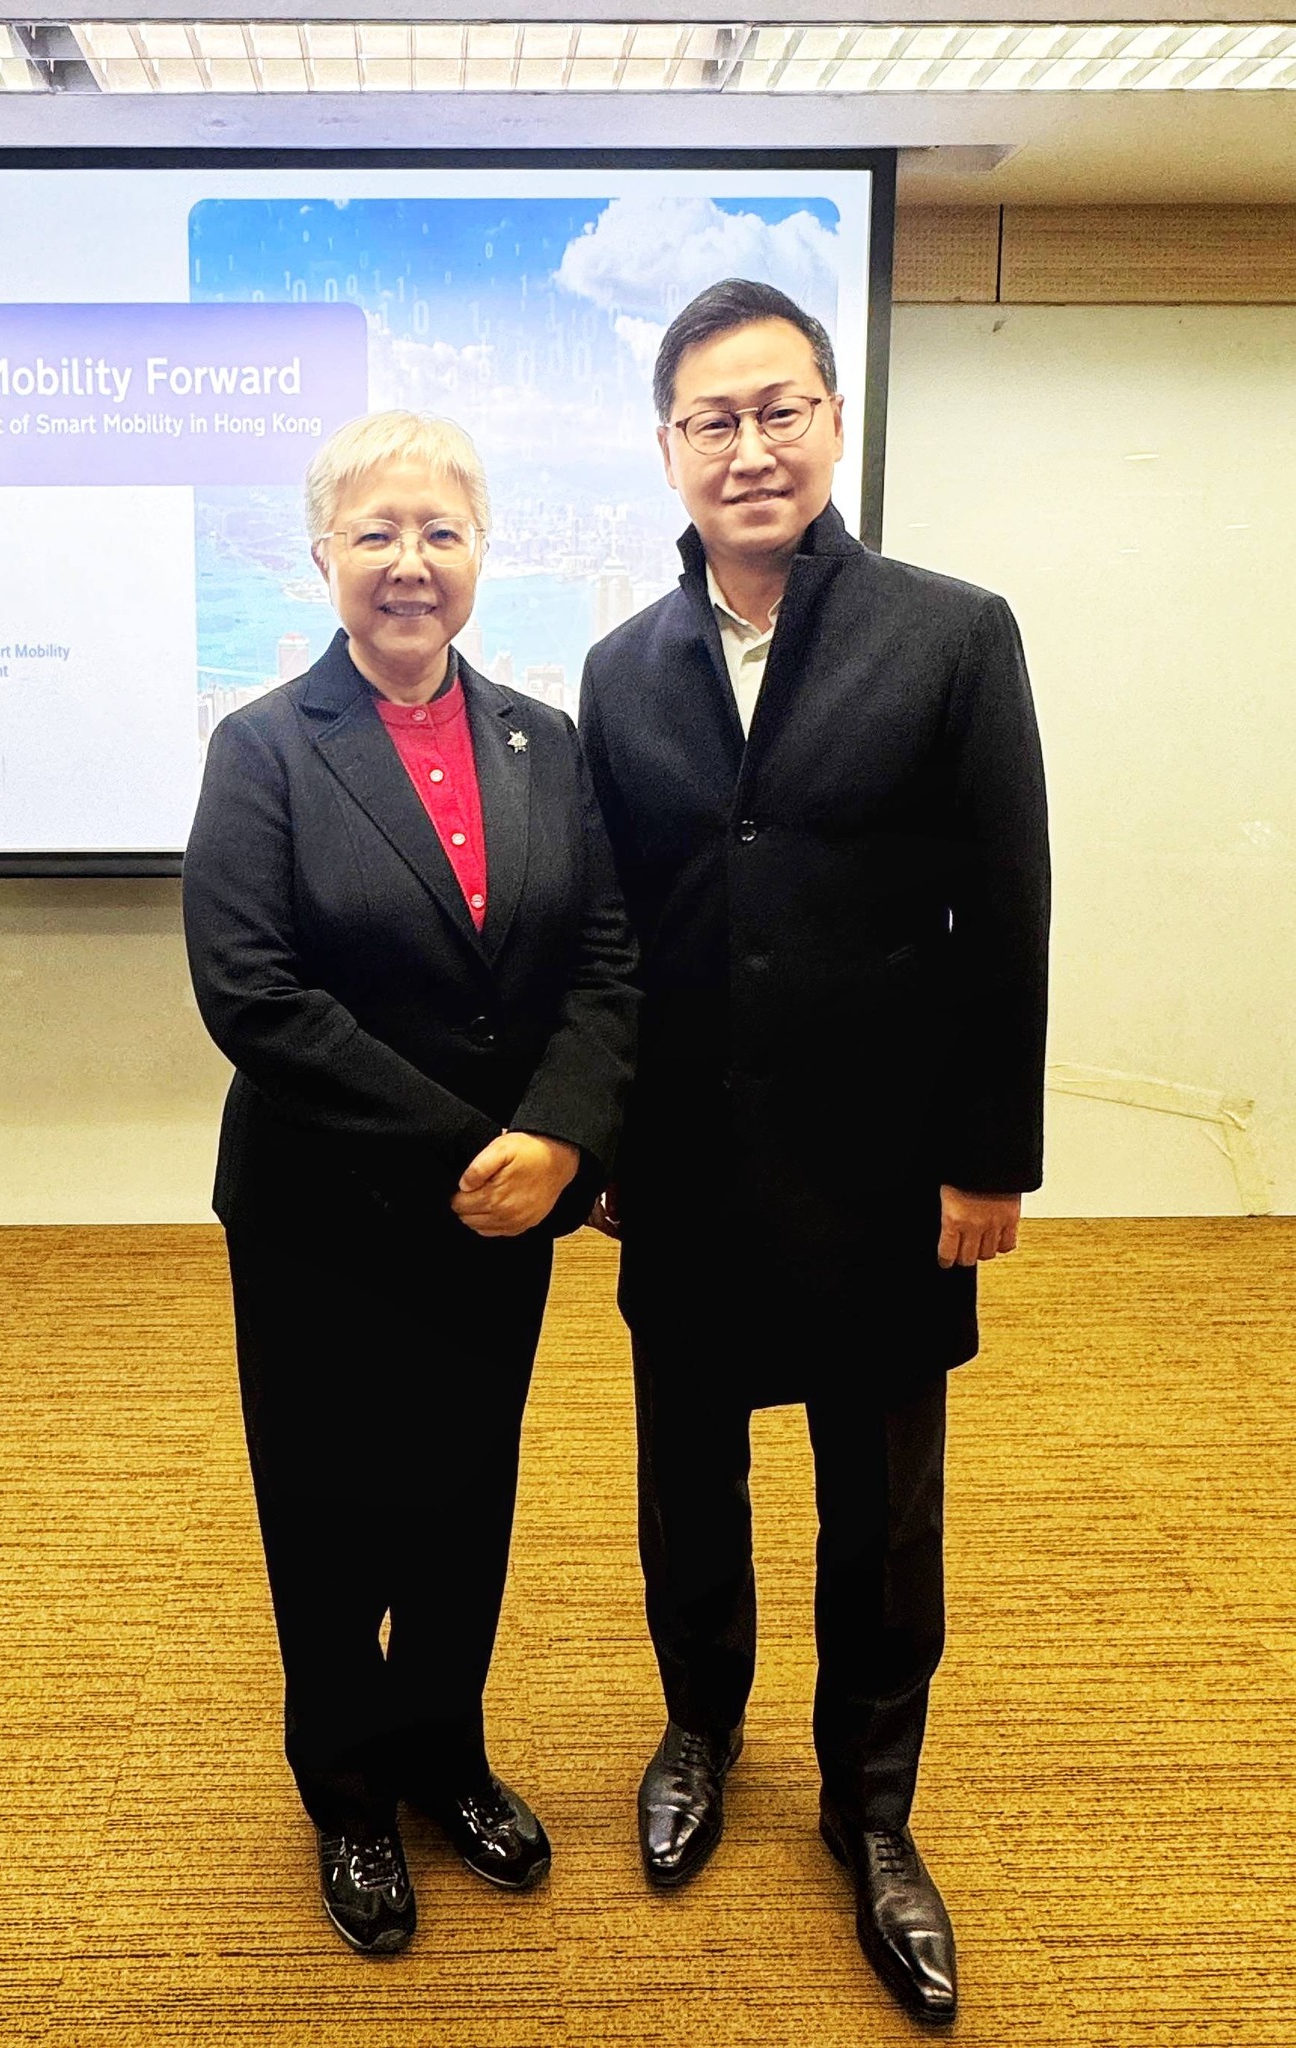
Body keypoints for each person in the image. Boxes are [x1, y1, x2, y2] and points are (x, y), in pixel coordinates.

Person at [578, 280, 1049, 2024]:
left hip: (882, 1174)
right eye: (712, 420)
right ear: (668, 449)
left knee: (882, 1513)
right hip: (685, 1170)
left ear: (833, 422)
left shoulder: (950, 634)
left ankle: (872, 1807)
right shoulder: (620, 666)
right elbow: (612, 930)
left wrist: (987, 1158)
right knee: (684, 1485)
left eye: (779, 410)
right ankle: (697, 1729)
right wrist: (599, 1134)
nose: (749, 447)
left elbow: (1005, 912)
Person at [184, 410, 638, 1957]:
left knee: (461, 1493)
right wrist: (469, 1147)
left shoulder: (543, 740)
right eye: (375, 532)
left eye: (439, 531)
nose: (408, 562)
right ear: (322, 554)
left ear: (479, 553)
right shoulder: (262, 747)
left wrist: (562, 1139)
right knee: (326, 1507)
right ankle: (349, 1790)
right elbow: (253, 996)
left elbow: (602, 960)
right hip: (325, 1212)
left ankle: (445, 1751)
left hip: (506, 1210)